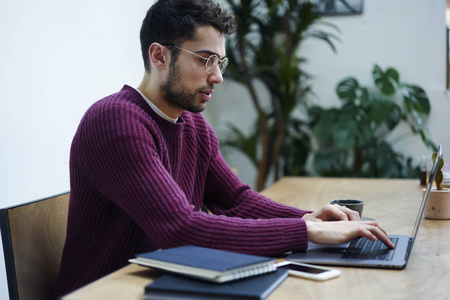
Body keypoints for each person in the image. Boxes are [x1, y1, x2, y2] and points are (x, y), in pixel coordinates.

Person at [54, 0, 394, 297]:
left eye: (220, 62)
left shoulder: (193, 123)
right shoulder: (115, 121)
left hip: (163, 283)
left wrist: (307, 217)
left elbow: (236, 200)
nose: (217, 76)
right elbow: (180, 228)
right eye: (205, 60)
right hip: (108, 292)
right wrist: (306, 231)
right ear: (159, 55)